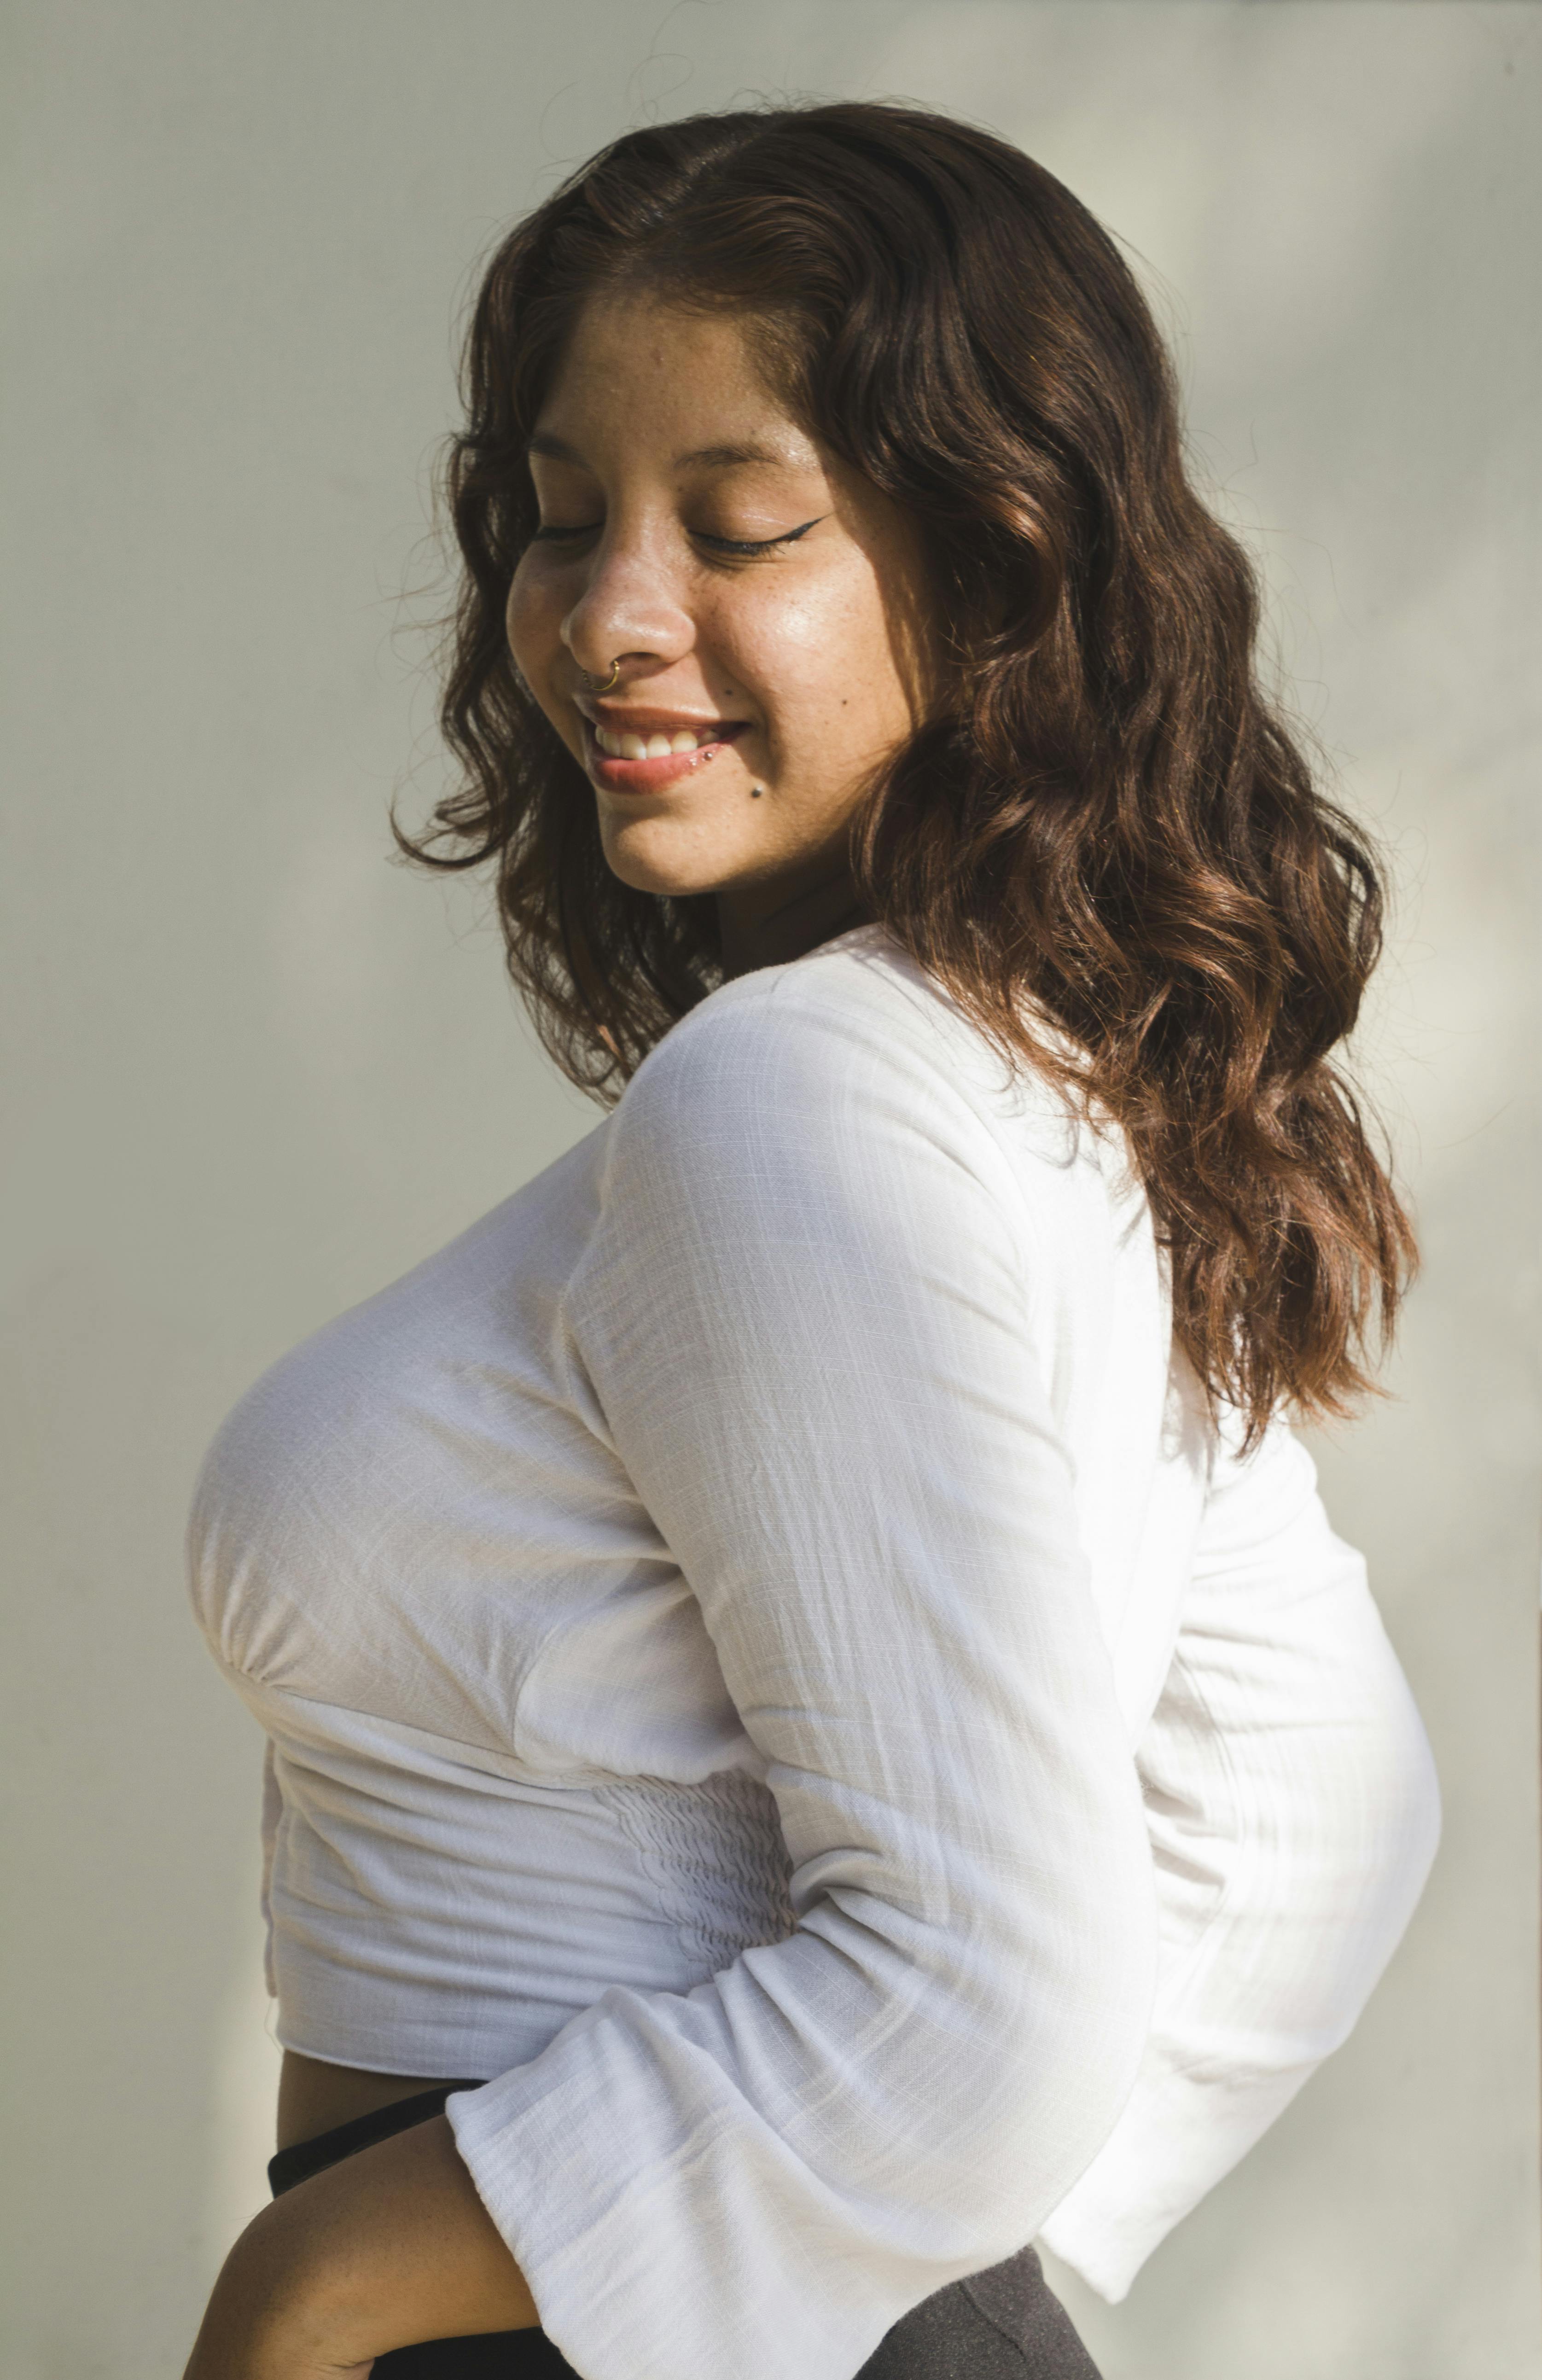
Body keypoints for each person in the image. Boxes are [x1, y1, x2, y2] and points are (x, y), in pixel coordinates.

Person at [180, 101, 1442, 2380]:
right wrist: (911, 2274)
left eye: (739, 526)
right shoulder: (1031, 1088)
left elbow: (990, 2003)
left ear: (993, 565)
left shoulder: (797, 1102)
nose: (604, 618)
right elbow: (1310, 1810)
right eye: (565, 521)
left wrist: (326, 2288)